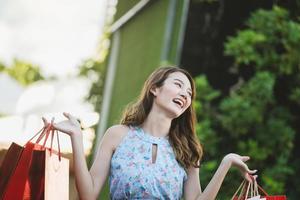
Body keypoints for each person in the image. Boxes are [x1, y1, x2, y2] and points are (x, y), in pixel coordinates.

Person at [43, 66, 257, 200]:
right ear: (154, 89)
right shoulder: (117, 135)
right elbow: (88, 195)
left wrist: (226, 163)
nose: (185, 94)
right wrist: (77, 139)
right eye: (178, 85)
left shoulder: (188, 151)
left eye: (189, 93)